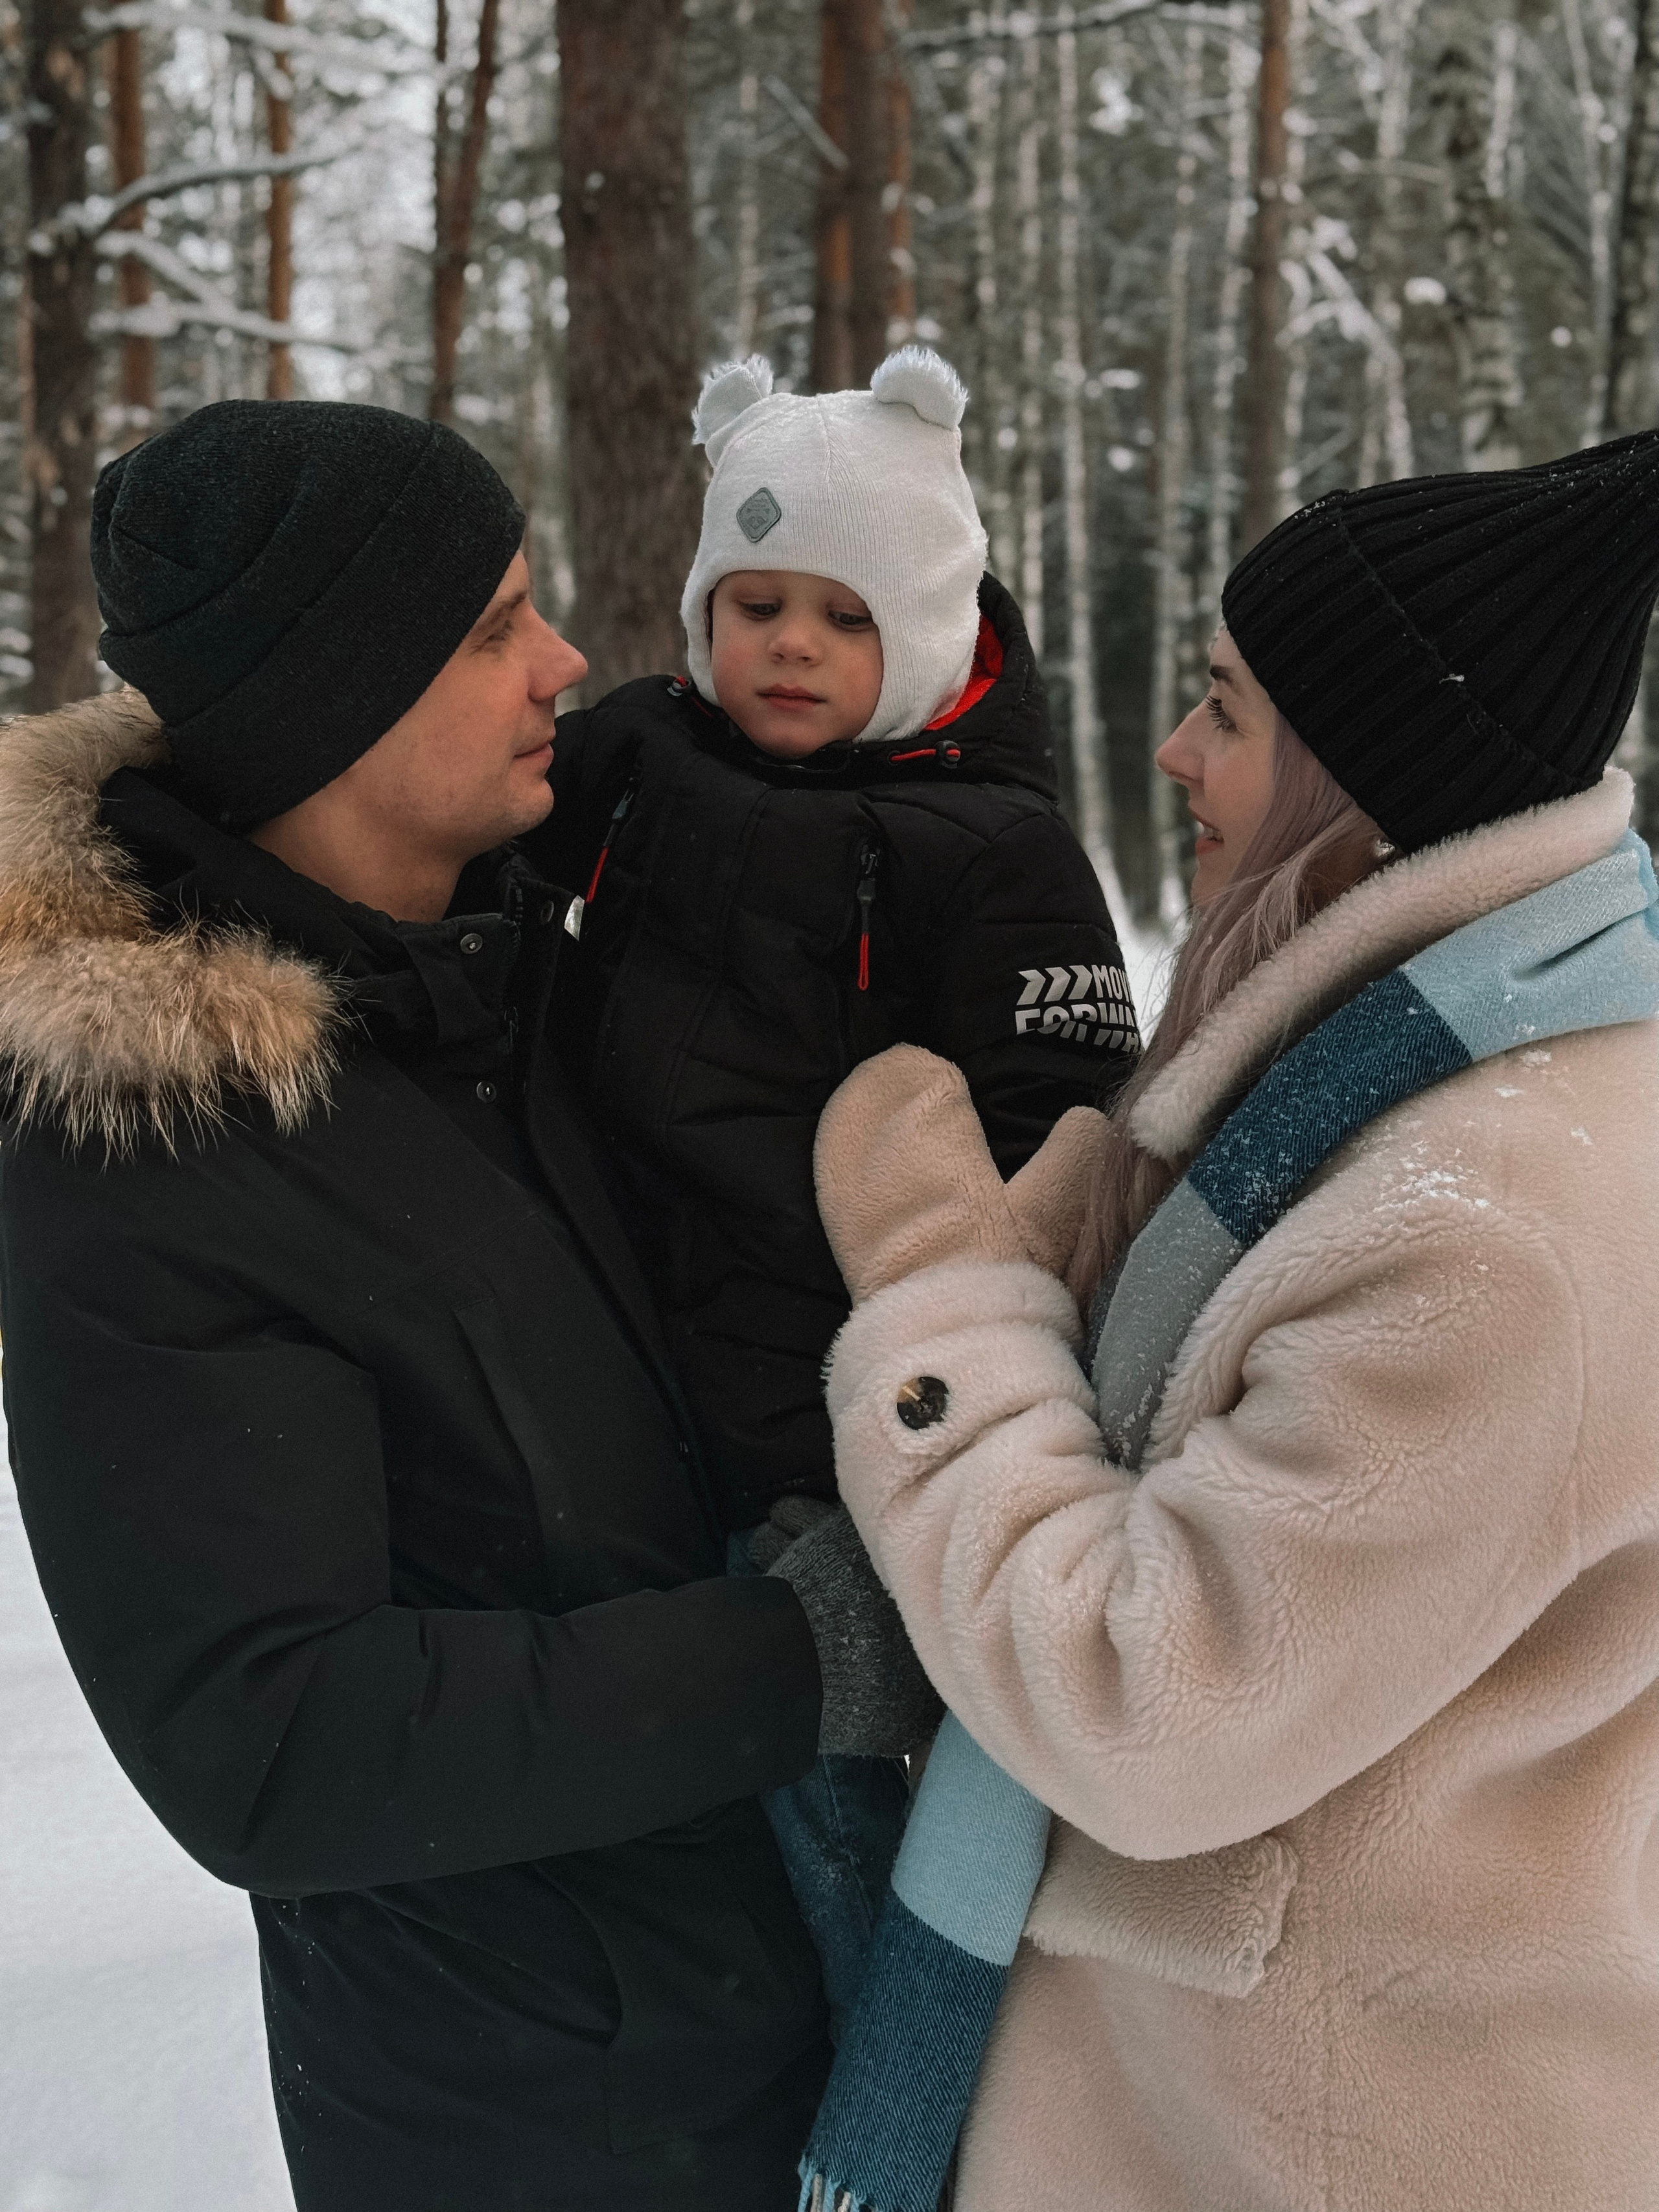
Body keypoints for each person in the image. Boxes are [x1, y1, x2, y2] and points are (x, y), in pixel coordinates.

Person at [0, 399, 940, 2212]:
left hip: (781, 2011)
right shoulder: (151, 1151)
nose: (563, 664)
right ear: (338, 704)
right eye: (495, 627)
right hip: (534, 2122)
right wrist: (794, 1659)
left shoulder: (501, 971)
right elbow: (273, 1740)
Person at [806, 437, 1659, 2210]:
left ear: (1366, 776)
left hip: (1326, 2145)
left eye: (1224, 709)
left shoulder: (1488, 1227)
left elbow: (1142, 1697)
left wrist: (944, 1314)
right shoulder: (1460, 1067)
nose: (1181, 756)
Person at [527, 345, 1139, 2026]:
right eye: (758, 601)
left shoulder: (995, 851)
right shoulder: (642, 757)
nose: (789, 645)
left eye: (846, 617)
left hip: (850, 1429)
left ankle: (916, 2103)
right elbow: (460, 856)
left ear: (931, 630)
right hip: (643, 1372)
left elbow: (1063, 1131)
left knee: (840, 1815)